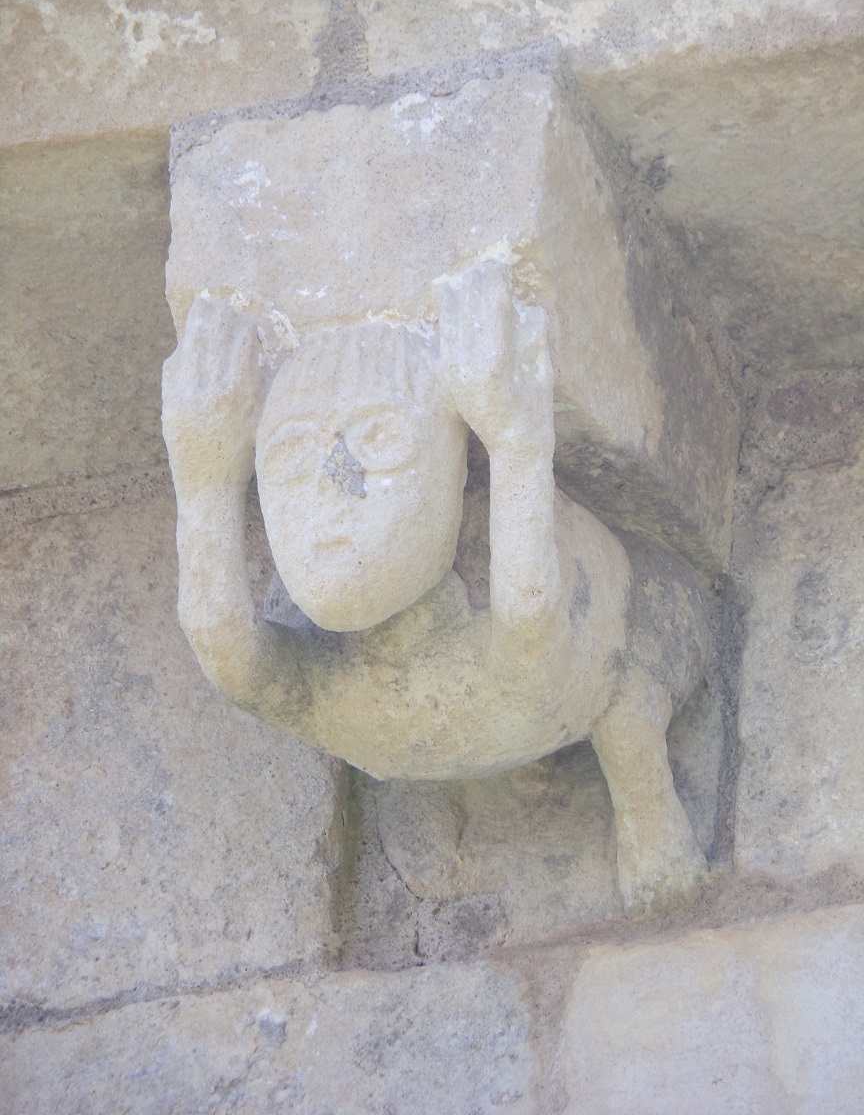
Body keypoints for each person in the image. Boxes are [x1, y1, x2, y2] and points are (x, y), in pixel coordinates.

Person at [162, 261, 708, 913]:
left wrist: (514, 440)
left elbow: (532, 615)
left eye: (383, 440)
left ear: (457, 468)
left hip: (611, 643)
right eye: (286, 457)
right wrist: (205, 477)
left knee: (626, 682)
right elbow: (223, 647)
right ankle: (438, 787)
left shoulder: (490, 639)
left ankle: (644, 798)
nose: (334, 499)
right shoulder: (321, 683)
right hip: (455, 724)